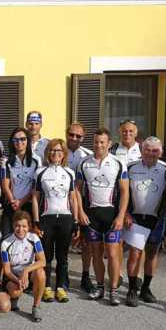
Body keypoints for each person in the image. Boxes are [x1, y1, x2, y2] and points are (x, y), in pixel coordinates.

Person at [75, 128, 129, 306]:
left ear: (109, 144)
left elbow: (125, 191)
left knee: (113, 254)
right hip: (92, 216)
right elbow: (77, 189)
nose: (98, 145)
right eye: (96, 142)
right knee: (96, 254)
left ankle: (113, 290)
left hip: (111, 214)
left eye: (102, 142)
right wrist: (80, 212)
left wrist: (121, 216)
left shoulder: (118, 163)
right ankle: (99, 287)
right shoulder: (84, 163)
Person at [124, 136, 166, 306]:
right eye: (147, 150)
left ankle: (146, 288)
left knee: (151, 254)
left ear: (161, 152)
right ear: (141, 151)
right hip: (136, 217)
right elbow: (122, 192)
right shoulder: (130, 167)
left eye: (155, 150)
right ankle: (132, 289)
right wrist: (125, 213)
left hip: (156, 219)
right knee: (135, 253)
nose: (151, 153)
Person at [32, 138, 79, 303]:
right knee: (46, 256)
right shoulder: (40, 172)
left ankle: (61, 287)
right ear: (47, 153)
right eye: (52, 150)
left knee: (62, 256)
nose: (55, 153)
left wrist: (76, 221)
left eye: (59, 150)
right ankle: (46, 287)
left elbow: (73, 199)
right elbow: (35, 198)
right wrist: (36, 221)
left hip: (65, 218)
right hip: (47, 218)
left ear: (64, 153)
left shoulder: (69, 172)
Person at [0, 211, 47, 321]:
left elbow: (43, 261)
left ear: (29, 226)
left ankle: (36, 307)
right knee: (15, 292)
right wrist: (19, 281)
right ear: (13, 225)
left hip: (29, 272)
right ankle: (14, 298)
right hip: (14, 275)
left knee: (41, 273)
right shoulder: (6, 243)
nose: (21, 229)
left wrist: (26, 270)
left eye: (24, 226)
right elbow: (7, 270)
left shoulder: (34, 238)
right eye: (17, 226)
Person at [66, 122, 95, 294]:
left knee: (86, 241)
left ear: (83, 138)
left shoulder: (88, 155)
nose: (74, 138)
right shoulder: (57, 151)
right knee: (61, 239)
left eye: (78, 136)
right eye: (71, 134)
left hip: (82, 200)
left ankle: (85, 275)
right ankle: (61, 274)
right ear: (66, 134)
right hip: (60, 201)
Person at [0, 127, 41, 229]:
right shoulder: (6, 160)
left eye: (23, 139)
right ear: (12, 142)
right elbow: (5, 186)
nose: (19, 142)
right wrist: (14, 203)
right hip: (11, 204)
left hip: (29, 204)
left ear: (28, 140)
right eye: (16, 140)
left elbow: (35, 186)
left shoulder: (36, 160)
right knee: (7, 236)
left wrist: (21, 201)